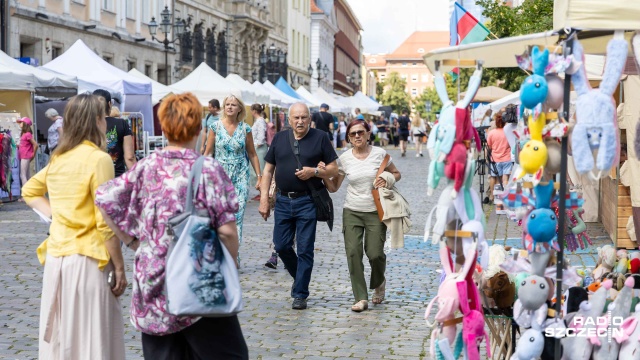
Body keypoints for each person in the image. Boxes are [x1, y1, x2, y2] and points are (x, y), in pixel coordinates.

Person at [95, 92, 248, 360]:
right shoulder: (208, 170)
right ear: (199, 129)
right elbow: (226, 231)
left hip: (154, 283)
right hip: (199, 283)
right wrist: (229, 262)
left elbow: (105, 199)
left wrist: (132, 242)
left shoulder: (146, 166)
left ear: (164, 127)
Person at [22, 94, 126, 359]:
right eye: (103, 117)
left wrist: (55, 215)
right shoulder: (99, 159)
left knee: (63, 341)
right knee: (93, 341)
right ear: (96, 121)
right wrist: (120, 266)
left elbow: (29, 190)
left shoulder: (59, 158)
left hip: (58, 259)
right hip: (88, 261)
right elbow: (105, 221)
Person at [258, 102, 339, 310]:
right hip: (283, 201)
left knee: (305, 249)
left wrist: (315, 172)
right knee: (282, 246)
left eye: (304, 117)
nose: (300, 121)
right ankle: (300, 278)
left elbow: (333, 169)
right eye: (296, 118)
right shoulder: (279, 138)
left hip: (307, 201)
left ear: (309, 119)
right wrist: (265, 199)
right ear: (289, 119)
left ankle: (300, 293)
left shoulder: (320, 137)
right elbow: (267, 171)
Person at [324, 119, 401, 312]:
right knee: (353, 253)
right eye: (353, 134)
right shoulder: (345, 159)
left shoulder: (379, 154)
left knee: (375, 254)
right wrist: (323, 175)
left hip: (376, 211)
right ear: (348, 138)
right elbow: (334, 187)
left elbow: (396, 173)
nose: (357, 136)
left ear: (368, 134)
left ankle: (379, 280)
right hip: (352, 211)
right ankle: (360, 297)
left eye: (360, 132)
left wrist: (388, 179)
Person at [204, 95, 262, 263]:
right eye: (227, 104)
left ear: (239, 109)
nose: (229, 107)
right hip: (220, 177)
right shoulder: (214, 127)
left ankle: (233, 257)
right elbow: (208, 153)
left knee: (237, 217)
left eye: (233, 105)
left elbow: (252, 154)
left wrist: (259, 176)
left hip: (240, 175)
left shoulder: (246, 128)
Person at [92, 89, 137, 177]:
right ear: (110, 104)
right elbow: (130, 157)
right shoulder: (121, 123)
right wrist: (137, 178)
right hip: (116, 177)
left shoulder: (85, 125)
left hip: (93, 177)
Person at [486, 110, 512, 203]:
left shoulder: (491, 133)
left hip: (495, 159)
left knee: (495, 178)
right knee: (505, 179)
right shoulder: (508, 132)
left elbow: (489, 147)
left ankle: (493, 197)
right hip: (507, 159)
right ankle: (504, 198)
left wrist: (487, 158)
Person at [250, 104, 268, 201]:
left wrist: (256, 145)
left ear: (253, 111)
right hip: (257, 148)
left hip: (259, 149)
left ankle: (262, 192)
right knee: (257, 170)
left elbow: (261, 137)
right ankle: (260, 190)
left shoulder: (260, 121)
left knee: (260, 170)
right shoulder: (259, 121)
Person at [17, 117, 37, 192]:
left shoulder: (27, 134)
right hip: (24, 156)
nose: (20, 124)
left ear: (25, 124)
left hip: (25, 156)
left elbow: (35, 144)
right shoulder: (24, 134)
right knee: (27, 175)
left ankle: (26, 194)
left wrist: (33, 154)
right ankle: (31, 192)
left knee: (23, 175)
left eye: (21, 122)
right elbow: (25, 144)